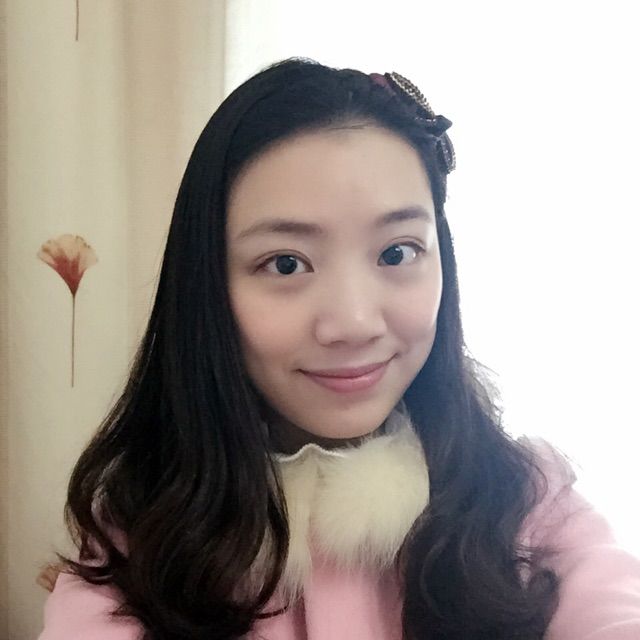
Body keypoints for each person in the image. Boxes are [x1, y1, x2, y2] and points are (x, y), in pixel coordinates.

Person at [36, 57, 640, 640]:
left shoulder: (526, 499)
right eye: (286, 263)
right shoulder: (142, 533)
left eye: (397, 252)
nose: (353, 323)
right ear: (208, 287)